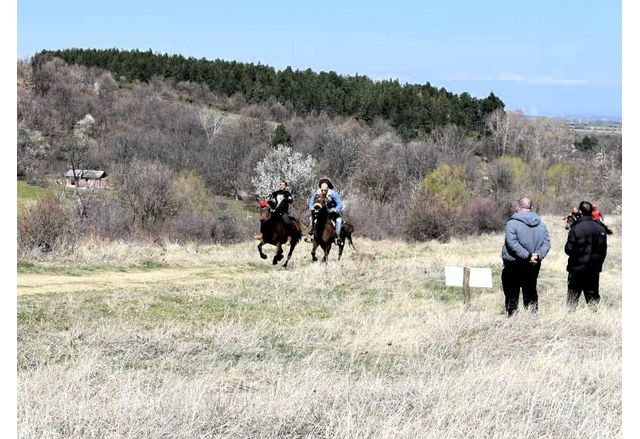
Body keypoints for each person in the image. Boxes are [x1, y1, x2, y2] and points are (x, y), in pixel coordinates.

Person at [501, 197, 551, 316]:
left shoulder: (512, 223)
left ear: (518, 207)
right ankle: (532, 318)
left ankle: (512, 319)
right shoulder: (541, 225)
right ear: (531, 208)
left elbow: (512, 243)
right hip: (533, 264)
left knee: (512, 293)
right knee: (531, 291)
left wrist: (528, 256)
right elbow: (547, 243)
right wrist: (537, 256)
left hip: (514, 264)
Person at [564, 200, 607, 312]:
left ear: (580, 212)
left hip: (576, 269)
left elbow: (568, 249)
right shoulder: (601, 229)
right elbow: (603, 251)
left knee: (572, 301)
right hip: (593, 270)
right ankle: (594, 322)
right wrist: (597, 265)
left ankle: (569, 322)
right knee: (593, 301)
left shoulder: (575, 228)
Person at [307, 178, 344, 245]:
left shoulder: (333, 194)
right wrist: (312, 208)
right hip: (320, 212)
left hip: (331, 212)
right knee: (311, 218)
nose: (323, 191)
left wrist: (335, 210)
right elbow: (311, 201)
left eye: (325, 190)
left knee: (339, 220)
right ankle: (311, 234)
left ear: (328, 188)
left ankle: (337, 237)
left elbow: (339, 203)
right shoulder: (317, 192)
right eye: (322, 190)